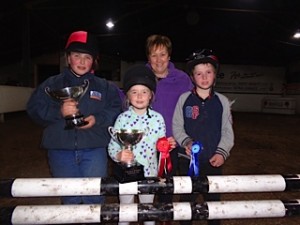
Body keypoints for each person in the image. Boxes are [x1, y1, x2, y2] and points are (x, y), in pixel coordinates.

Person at [26, 30, 122, 204]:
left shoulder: (105, 86)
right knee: (70, 196)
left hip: (94, 148)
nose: (82, 62)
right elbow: (34, 109)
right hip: (60, 149)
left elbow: (116, 109)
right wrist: (58, 112)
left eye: (88, 57)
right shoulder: (51, 84)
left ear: (94, 61)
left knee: (94, 195)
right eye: (77, 55)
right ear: (68, 57)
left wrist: (96, 119)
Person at [172, 49, 234, 225]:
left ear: (215, 75)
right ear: (192, 77)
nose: (204, 77)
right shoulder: (184, 99)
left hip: (214, 160)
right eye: (199, 73)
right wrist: (186, 142)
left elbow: (227, 130)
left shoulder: (222, 101)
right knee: (187, 200)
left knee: (213, 203)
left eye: (208, 72)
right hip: (187, 160)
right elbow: (177, 125)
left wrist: (222, 152)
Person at [108, 65, 176, 225]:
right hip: (126, 174)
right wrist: (118, 155)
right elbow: (112, 146)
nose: (139, 96)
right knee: (125, 211)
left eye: (144, 91)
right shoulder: (122, 119)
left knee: (148, 211)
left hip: (149, 174)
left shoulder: (158, 119)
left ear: (151, 95)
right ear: (127, 96)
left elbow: (161, 144)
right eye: (134, 92)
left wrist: (167, 144)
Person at [145, 34, 194, 208]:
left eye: (163, 54)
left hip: (175, 143)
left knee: (177, 185)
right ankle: (155, 217)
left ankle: (178, 217)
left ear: (169, 56)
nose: (158, 60)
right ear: (148, 57)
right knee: (152, 188)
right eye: (154, 55)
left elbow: (192, 106)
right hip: (148, 144)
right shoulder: (141, 76)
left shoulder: (182, 79)